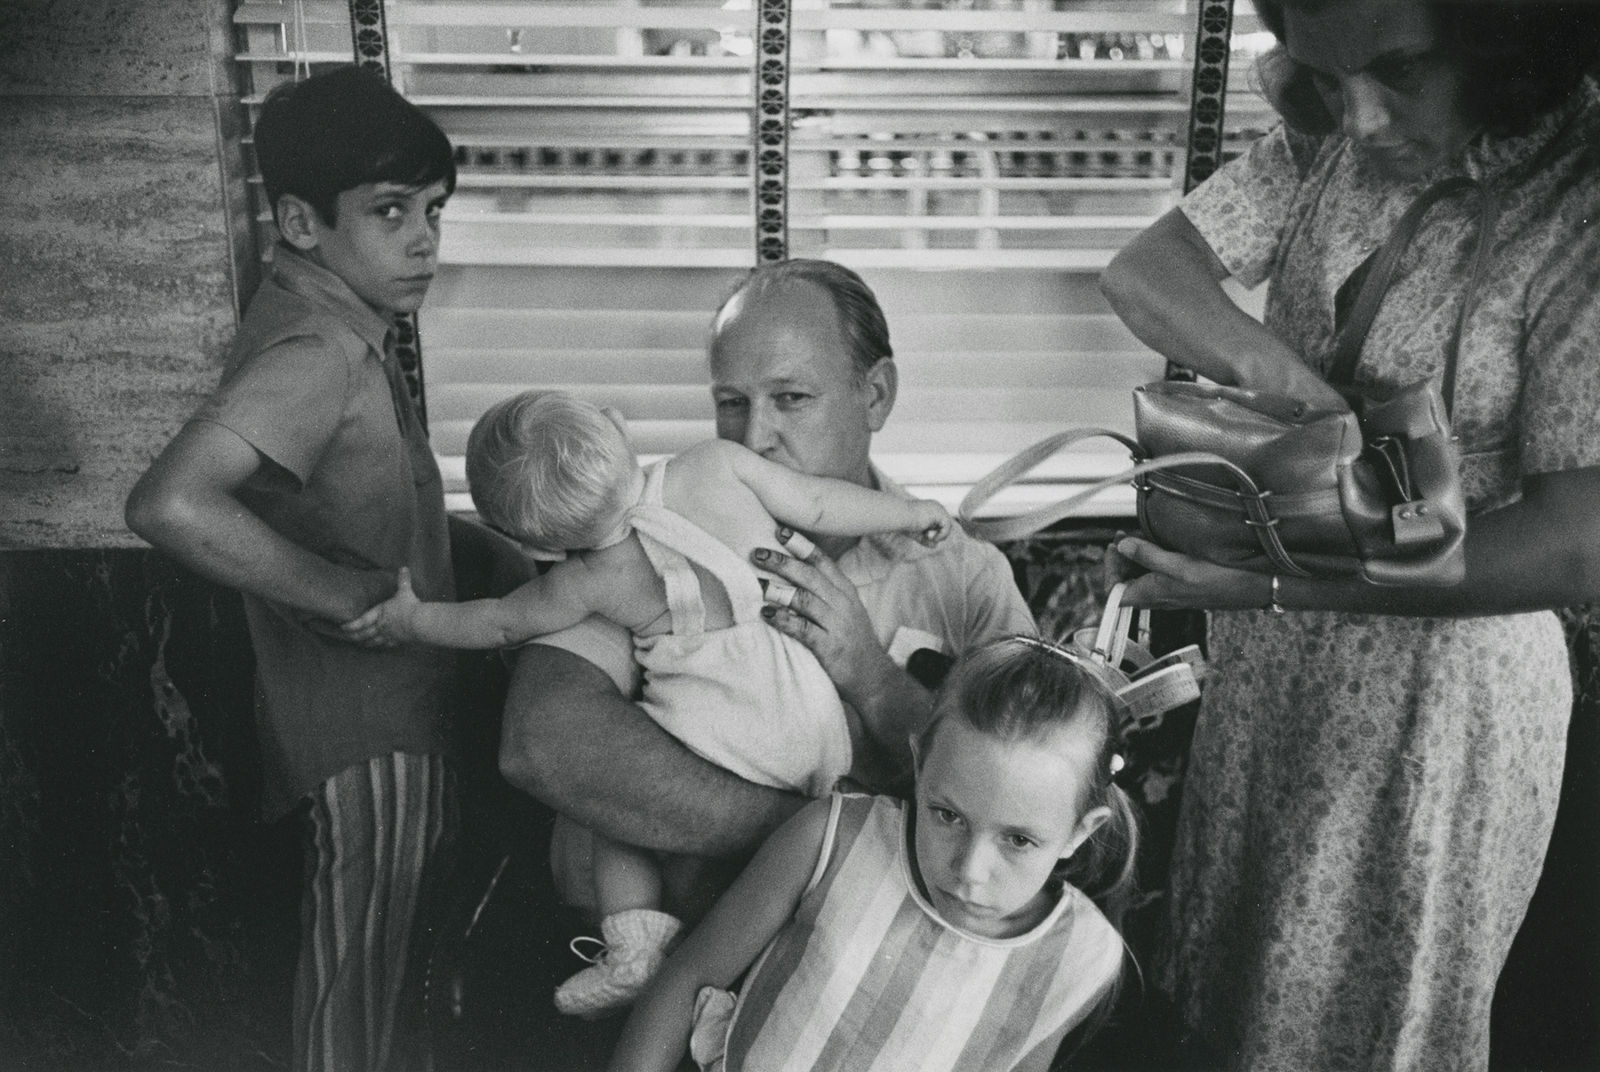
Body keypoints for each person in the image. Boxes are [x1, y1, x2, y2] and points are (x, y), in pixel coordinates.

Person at [1097, 1, 1600, 1068]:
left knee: (1377, 1031)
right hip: (1274, 672)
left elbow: (1574, 542)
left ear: (1499, 39)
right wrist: (1297, 391)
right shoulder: (1326, 137)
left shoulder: (1578, 199)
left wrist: (1293, 577)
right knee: (1229, 999)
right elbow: (1145, 272)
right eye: (1328, 76)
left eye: (1400, 72)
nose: (1362, 117)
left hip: (1439, 716)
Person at [490, 260, 1036, 1046]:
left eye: (791, 399)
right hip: (658, 977)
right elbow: (543, 744)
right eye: (730, 403)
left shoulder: (963, 579)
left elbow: (1018, 805)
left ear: (875, 395)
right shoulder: (649, 533)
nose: (754, 438)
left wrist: (876, 684)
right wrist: (811, 841)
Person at [342, 387, 953, 1016]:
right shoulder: (714, 466)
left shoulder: (585, 580)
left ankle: (635, 942)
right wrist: (910, 514)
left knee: (604, 796)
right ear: (616, 425)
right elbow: (821, 503)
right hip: (813, 716)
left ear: (540, 547)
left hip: (724, 734)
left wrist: (410, 620)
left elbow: (497, 623)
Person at [123, 65, 462, 1072]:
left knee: (367, 987)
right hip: (369, 727)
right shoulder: (318, 348)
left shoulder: (329, 323)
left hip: (365, 720)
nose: (424, 240)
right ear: (302, 222)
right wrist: (345, 593)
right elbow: (168, 502)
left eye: (435, 211)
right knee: (353, 1002)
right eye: (390, 212)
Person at [608, 635, 1140, 1072]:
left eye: (1018, 840)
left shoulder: (1082, 959)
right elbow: (687, 979)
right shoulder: (832, 838)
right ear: (921, 764)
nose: (968, 872)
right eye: (947, 815)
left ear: (1080, 831)